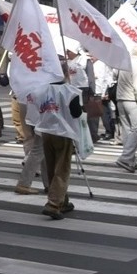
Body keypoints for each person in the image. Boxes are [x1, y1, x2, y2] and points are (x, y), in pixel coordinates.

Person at [32, 66, 83, 220]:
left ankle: (63, 201)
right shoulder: (70, 91)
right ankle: (53, 204)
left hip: (46, 131)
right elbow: (76, 113)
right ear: (66, 74)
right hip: (63, 132)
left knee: (52, 166)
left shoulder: (41, 90)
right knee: (62, 169)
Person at [114, 44, 137, 173]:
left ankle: (129, 159)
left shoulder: (125, 61)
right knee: (136, 129)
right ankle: (126, 157)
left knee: (127, 130)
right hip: (132, 100)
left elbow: (115, 75)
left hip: (121, 98)